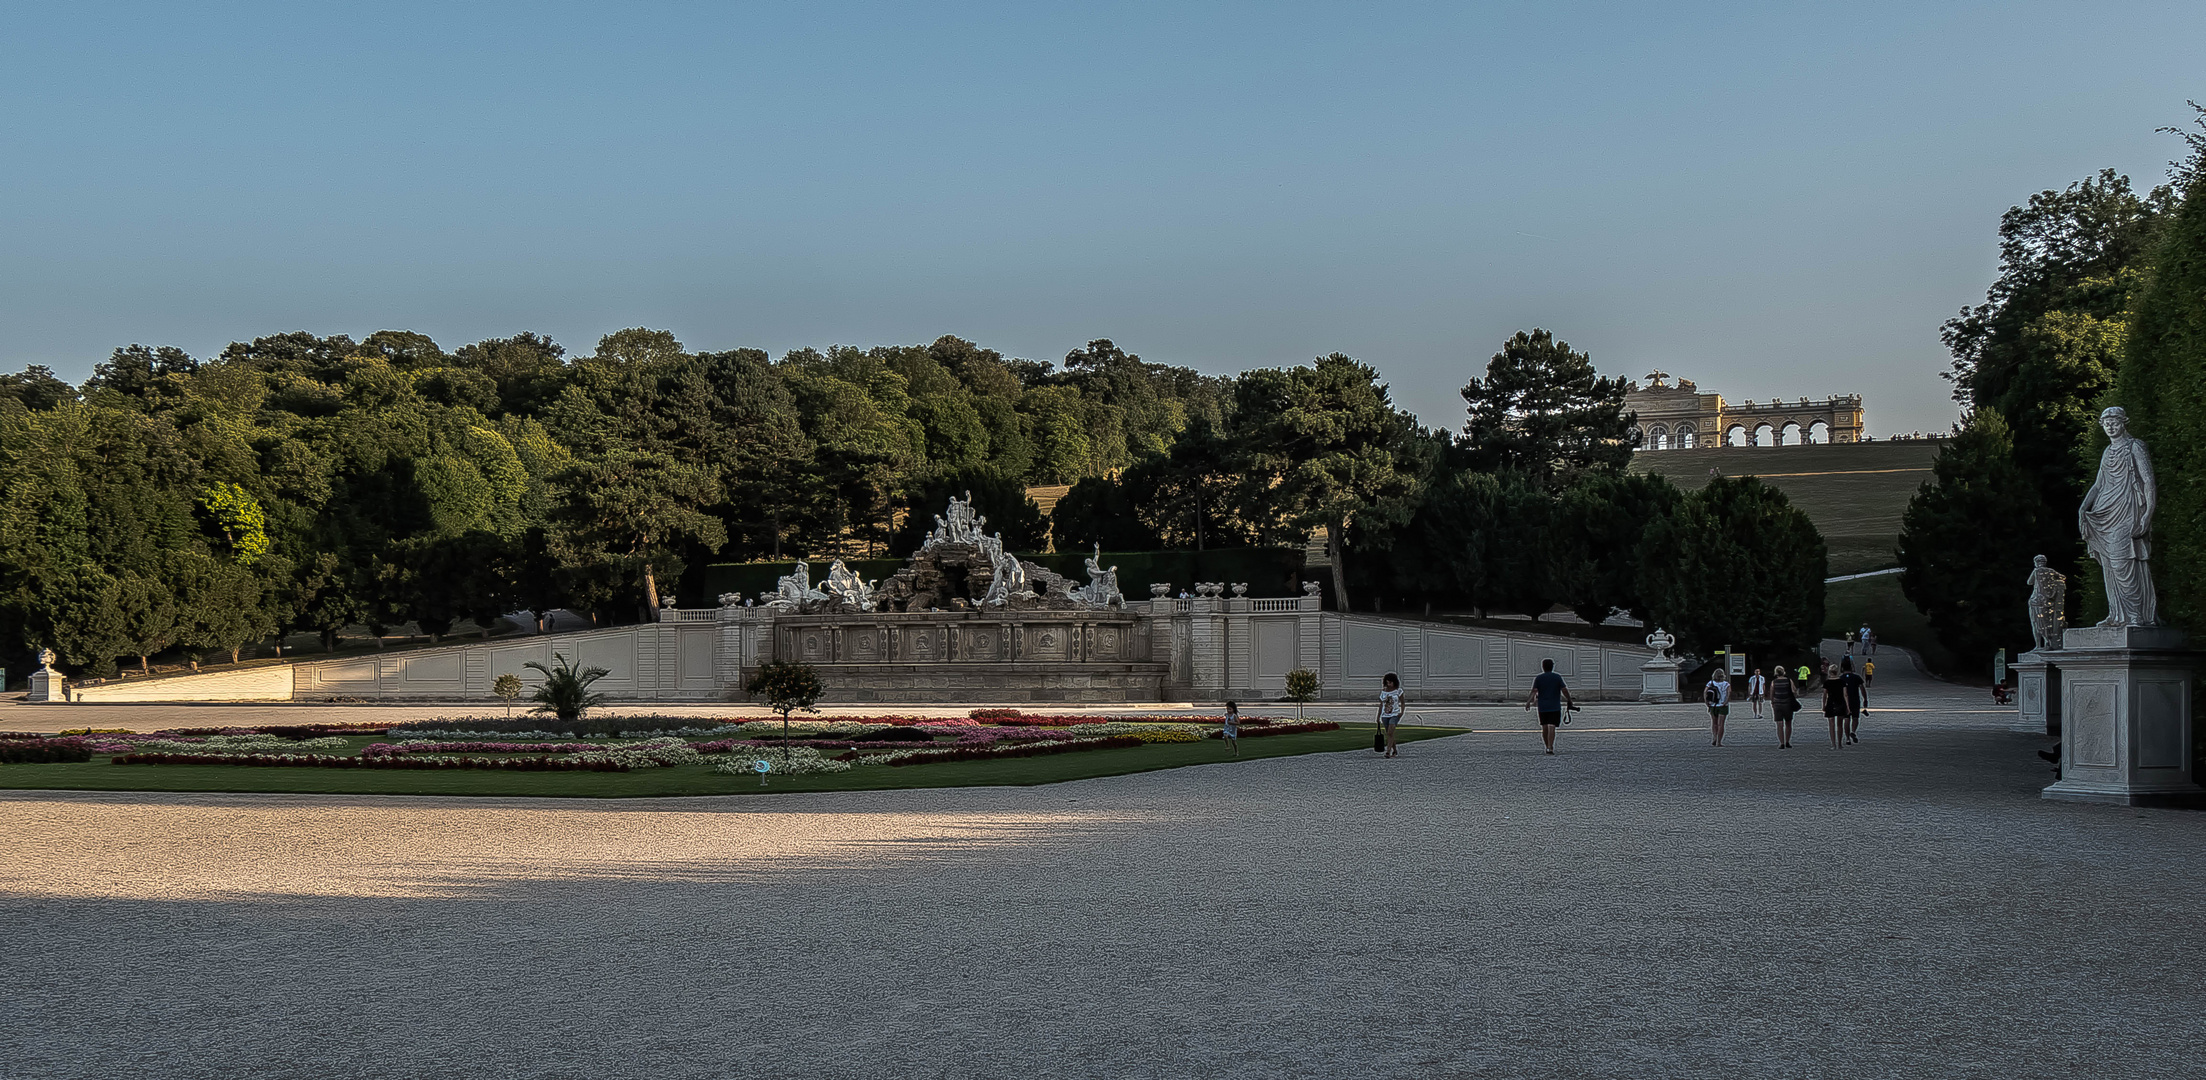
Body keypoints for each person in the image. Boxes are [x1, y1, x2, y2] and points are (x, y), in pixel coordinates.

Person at [1523, 658, 1572, 754]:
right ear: (1552, 666)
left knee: (1544, 726)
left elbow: (1534, 691)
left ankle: (1547, 746)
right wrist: (1569, 699)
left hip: (1543, 706)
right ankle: (1551, 746)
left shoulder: (1539, 678)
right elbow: (1564, 690)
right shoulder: (1557, 677)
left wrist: (1528, 702)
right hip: (1555, 705)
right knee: (1552, 725)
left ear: (1543, 667)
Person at [1376, 673, 1404, 758]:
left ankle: (1388, 751)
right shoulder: (1383, 692)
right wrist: (1378, 716)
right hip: (1385, 715)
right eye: (1387, 682)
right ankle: (1394, 750)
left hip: (1395, 714)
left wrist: (1402, 712)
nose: (1389, 684)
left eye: (1390, 682)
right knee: (1389, 734)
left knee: (1390, 732)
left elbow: (1402, 702)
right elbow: (1381, 705)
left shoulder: (1398, 691)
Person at [1770, 668, 1799, 749]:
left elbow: (1772, 693)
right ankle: (1787, 741)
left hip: (1777, 704)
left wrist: (1772, 702)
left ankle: (1781, 743)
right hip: (1788, 704)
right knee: (1788, 723)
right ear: (1784, 672)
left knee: (1779, 724)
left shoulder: (1774, 682)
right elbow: (1794, 691)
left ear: (1776, 673)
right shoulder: (1789, 680)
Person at [1821, 662, 1848, 749]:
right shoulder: (1842, 682)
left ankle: (1833, 744)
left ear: (1829, 672)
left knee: (1831, 724)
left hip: (1830, 703)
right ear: (1837, 671)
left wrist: (1823, 705)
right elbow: (1845, 695)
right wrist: (1848, 706)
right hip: (1840, 702)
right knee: (1840, 724)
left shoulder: (1827, 682)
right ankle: (1840, 743)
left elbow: (1825, 695)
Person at [1840, 656, 1865, 744]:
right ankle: (1853, 731)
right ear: (1851, 668)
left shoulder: (1841, 678)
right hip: (1855, 700)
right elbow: (1862, 689)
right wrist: (1865, 699)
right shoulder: (1857, 677)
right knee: (1855, 717)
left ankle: (1847, 738)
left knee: (1846, 719)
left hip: (1844, 701)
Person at [1703, 669, 1731, 746]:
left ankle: (1714, 737)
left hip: (1713, 705)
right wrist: (1725, 702)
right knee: (1721, 724)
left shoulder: (1710, 683)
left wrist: (1706, 702)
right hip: (1722, 705)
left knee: (1714, 723)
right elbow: (1729, 693)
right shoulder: (1726, 684)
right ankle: (1719, 741)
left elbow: (1705, 692)